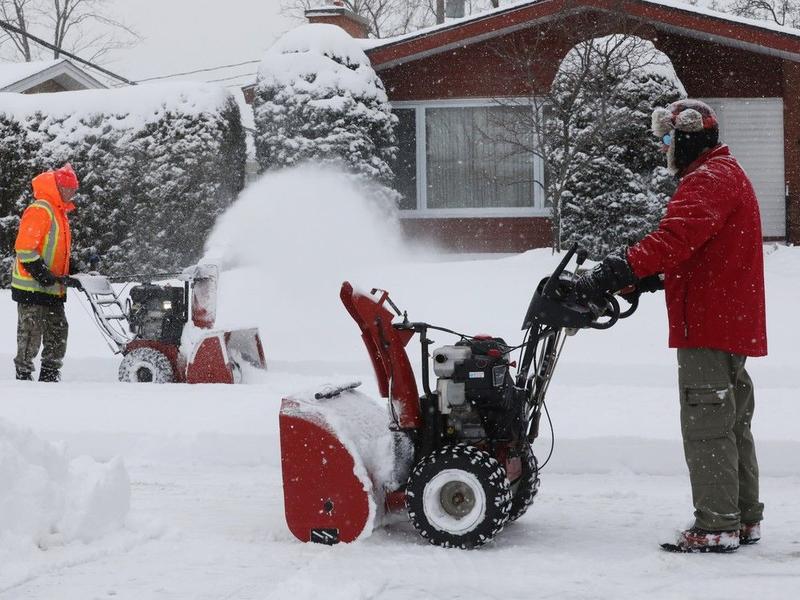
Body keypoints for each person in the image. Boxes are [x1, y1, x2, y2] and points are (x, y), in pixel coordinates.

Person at [575, 99, 767, 553]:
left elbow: (674, 238)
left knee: (707, 424)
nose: (664, 148)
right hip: (725, 318)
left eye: (667, 139)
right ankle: (742, 518)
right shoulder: (724, 175)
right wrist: (650, 280)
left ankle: (716, 525)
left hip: (709, 324)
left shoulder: (707, 180)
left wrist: (619, 269)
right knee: (731, 423)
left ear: (687, 138)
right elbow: (699, 250)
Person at [11, 164, 82, 383]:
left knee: (58, 331)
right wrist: (41, 274)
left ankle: (50, 375)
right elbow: (24, 248)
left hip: (52, 287)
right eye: (70, 189)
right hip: (31, 285)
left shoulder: (60, 213)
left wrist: (73, 269)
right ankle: (23, 376)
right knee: (31, 333)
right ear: (60, 187)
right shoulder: (41, 209)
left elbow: (56, 249)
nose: (73, 193)